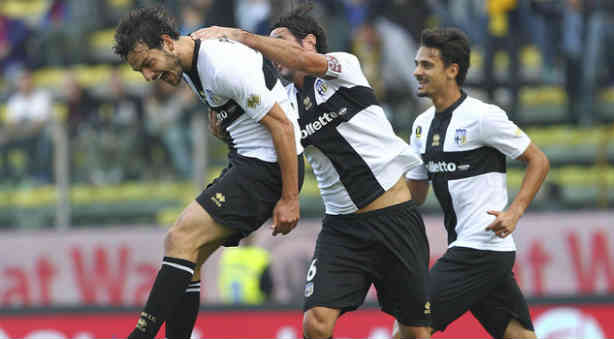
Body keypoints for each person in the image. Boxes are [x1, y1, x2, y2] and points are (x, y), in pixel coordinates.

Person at [192, 4, 432, 338]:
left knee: (415, 332)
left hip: (394, 216)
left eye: (280, 40)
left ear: (309, 42)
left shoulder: (343, 66)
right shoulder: (283, 103)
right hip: (343, 228)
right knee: (315, 323)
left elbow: (301, 62)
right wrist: (220, 115)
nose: (273, 51)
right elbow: (248, 134)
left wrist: (242, 36)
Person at [113, 6, 304, 338]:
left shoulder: (219, 64)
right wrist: (219, 115)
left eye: (147, 64)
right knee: (191, 258)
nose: (147, 76)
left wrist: (290, 198)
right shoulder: (189, 57)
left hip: (268, 167)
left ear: (166, 43)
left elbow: (283, 127)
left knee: (179, 237)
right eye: (139, 70)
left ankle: (140, 335)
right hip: (248, 162)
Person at [401, 27, 549, 338]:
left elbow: (538, 160)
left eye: (426, 65)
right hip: (473, 249)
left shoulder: (483, 117)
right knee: (519, 336)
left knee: (413, 324)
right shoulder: (420, 126)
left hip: (480, 247)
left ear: (452, 70)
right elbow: (414, 194)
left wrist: (515, 211)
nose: (417, 72)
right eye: (417, 64)